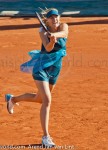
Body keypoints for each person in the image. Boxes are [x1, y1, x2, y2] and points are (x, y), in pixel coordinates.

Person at [5, 8, 69, 148]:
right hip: (41, 67)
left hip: (55, 68)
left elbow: (64, 33)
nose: (55, 19)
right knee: (47, 100)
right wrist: (51, 40)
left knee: (39, 99)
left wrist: (54, 35)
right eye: (52, 17)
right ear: (47, 20)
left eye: (56, 16)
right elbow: (48, 48)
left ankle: (13, 99)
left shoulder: (64, 26)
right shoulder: (42, 31)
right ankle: (46, 137)